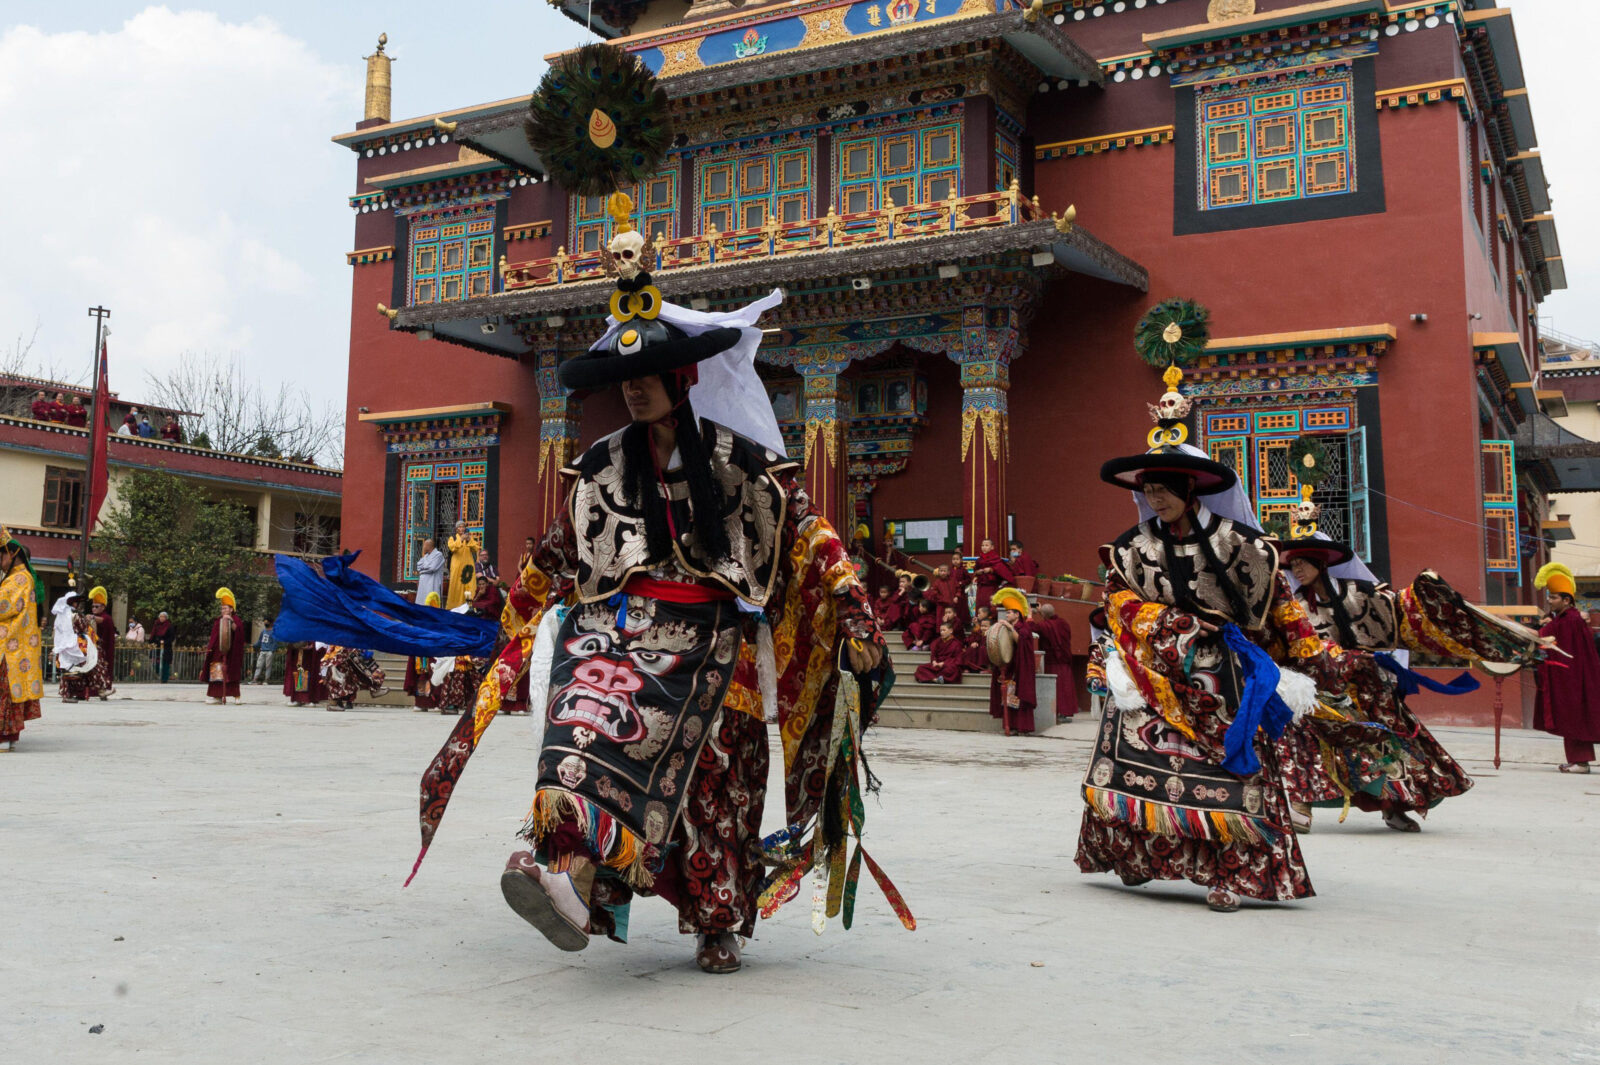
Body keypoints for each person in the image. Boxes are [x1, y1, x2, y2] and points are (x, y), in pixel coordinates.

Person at [411, 245, 896, 976]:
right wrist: (504, 624)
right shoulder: (602, 464)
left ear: (682, 377)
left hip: (711, 641)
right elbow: (555, 555)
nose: (632, 391)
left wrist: (856, 615)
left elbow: (812, 535)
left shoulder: (741, 461)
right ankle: (570, 876)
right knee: (578, 728)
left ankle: (717, 920)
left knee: (717, 783)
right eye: (622, 379)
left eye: (644, 378)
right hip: (616, 635)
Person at [1075, 366, 1338, 913]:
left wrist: (1311, 657)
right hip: (1153, 668)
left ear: (1187, 489)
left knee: (1226, 771)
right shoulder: (1130, 549)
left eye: (1163, 490)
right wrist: (1166, 624)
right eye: (1148, 490)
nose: (1154, 499)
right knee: (1135, 759)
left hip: (1221, 677)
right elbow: (1115, 599)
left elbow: (1278, 606)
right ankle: (1139, 858)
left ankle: (1233, 876)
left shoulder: (1244, 545)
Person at [1273, 528, 1521, 832]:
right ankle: (1301, 806)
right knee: (1308, 739)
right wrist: (1341, 657)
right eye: (1293, 565)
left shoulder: (1358, 592)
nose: (1297, 569)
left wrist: (1431, 597)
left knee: (1391, 745)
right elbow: (1300, 644)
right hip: (1324, 688)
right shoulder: (1296, 606)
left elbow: (1399, 615)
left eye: (1302, 563)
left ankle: (1394, 806)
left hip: (1369, 686)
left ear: (1320, 564)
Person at [1535, 563, 1600, 773]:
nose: (1549, 601)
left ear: (1566, 600)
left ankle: (1581, 763)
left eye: (1554, 597)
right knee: (1573, 716)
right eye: (1549, 596)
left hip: (1573, 677)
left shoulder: (1570, 620)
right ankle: (1578, 761)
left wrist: (1508, 623)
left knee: (1575, 716)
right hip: (1569, 675)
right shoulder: (1564, 618)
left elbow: (1542, 635)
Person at [0, 530, 45, 751]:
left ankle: (5, 738)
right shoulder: (21, 578)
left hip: (9, 647)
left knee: (4, 694)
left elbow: (3, 607)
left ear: (12, 553)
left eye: (1, 557)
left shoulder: (18, 579)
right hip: (11, 645)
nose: (0, 563)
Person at [987, 587, 1036, 736]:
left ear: (1017, 614)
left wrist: (1009, 627)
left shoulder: (1023, 627)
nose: (1007, 614)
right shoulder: (1010, 627)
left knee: (1018, 696)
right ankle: (1012, 726)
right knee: (1008, 698)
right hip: (1009, 666)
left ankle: (1023, 727)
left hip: (1020, 667)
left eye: (1009, 612)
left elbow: (1021, 641)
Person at [1031, 602, 1079, 721]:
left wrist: (1030, 615)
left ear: (1043, 614)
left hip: (1052, 662)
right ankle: (1066, 712)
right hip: (1064, 660)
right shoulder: (1064, 623)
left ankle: (1058, 711)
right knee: (1066, 686)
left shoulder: (1043, 625)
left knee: (1057, 687)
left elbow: (1031, 628)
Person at [203, 588, 245, 704]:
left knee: (232, 673)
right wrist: (211, 649)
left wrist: (230, 621)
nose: (223, 610)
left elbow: (239, 634)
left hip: (231, 653)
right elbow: (214, 637)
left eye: (225, 608)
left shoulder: (237, 620)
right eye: (222, 608)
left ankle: (236, 696)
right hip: (217, 652)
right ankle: (216, 697)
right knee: (217, 674)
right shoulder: (218, 620)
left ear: (231, 609)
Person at [57, 594, 98, 703]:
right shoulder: (76, 615)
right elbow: (83, 628)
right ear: (75, 604)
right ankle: (73, 693)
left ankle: (69, 693)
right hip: (76, 644)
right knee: (80, 667)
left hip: (63, 643)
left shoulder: (62, 615)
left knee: (68, 668)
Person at [321, 646, 389, 710]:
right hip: (340, 652)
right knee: (339, 674)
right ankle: (334, 704)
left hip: (345, 652)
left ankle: (374, 689)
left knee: (352, 674)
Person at [85, 586, 117, 700]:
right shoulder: (97, 617)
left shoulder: (106, 617)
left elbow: (101, 620)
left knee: (103, 670)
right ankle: (97, 691)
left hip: (105, 649)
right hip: (95, 649)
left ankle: (104, 690)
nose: (93, 608)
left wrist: (90, 617)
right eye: (92, 606)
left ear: (103, 607)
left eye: (96, 606)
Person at [446, 521, 480, 609]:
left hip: (468, 566)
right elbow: (452, 547)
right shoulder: (452, 538)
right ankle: (454, 607)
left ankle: (469, 606)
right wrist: (460, 539)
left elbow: (476, 548)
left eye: (463, 527)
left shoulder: (469, 537)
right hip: (457, 566)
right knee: (456, 586)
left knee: (470, 586)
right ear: (456, 529)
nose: (462, 529)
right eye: (460, 527)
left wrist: (469, 540)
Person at [970, 538, 1013, 607]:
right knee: (980, 604)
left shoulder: (996, 558)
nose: (984, 547)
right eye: (982, 545)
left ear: (992, 547)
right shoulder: (979, 560)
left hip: (992, 586)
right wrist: (977, 572)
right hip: (981, 587)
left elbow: (1002, 570)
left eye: (986, 545)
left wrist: (991, 569)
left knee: (990, 605)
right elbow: (975, 571)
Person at [282, 641, 327, 706]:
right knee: (301, 674)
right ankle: (299, 698)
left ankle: (308, 699)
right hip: (299, 655)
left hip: (310, 655)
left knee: (308, 674)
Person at [415, 538, 447, 606]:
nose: (423, 547)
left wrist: (423, 569)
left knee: (432, 601)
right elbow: (418, 566)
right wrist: (427, 566)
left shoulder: (438, 555)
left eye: (424, 545)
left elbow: (433, 568)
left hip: (433, 582)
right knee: (422, 601)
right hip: (423, 583)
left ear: (429, 546)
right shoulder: (426, 556)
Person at [151, 611, 176, 683]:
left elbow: (172, 637)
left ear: (166, 618)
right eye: (160, 616)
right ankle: (159, 675)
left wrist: (164, 642)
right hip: (157, 646)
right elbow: (153, 634)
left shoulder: (169, 626)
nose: (161, 618)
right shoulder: (156, 624)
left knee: (165, 663)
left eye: (163, 617)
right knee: (156, 663)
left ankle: (164, 678)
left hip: (166, 647)